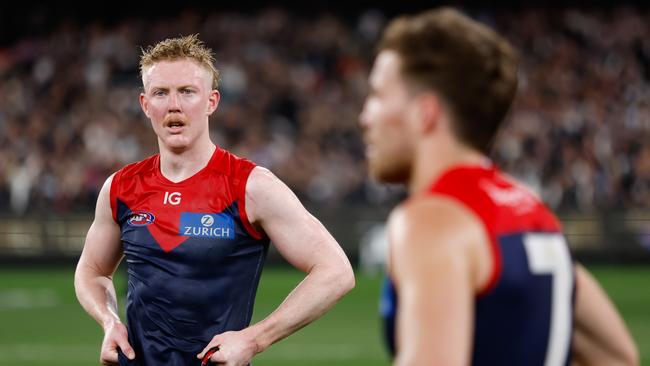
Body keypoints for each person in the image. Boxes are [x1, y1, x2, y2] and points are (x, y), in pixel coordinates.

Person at [359, 7, 639, 366]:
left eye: (378, 95)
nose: (365, 116)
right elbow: (617, 356)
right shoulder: (534, 214)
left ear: (424, 113)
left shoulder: (432, 219)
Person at [74, 34, 355, 366]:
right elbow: (92, 271)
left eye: (187, 92)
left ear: (212, 101)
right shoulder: (121, 187)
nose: (174, 105)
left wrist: (255, 338)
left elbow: (336, 272)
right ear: (145, 104)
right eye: (161, 93)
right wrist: (109, 322)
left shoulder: (250, 186)